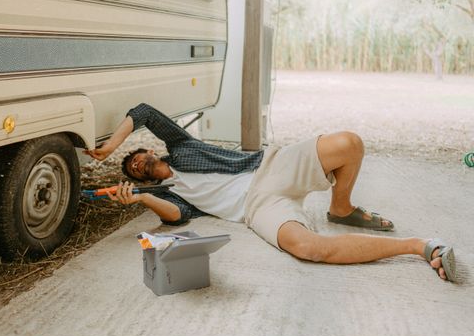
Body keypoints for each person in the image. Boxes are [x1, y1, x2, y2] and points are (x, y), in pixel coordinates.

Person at [84, 103, 457, 282]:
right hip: (258, 207)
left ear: (151, 151)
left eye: (136, 158)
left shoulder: (181, 147)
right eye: (132, 171)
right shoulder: (171, 193)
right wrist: (140, 197)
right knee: (310, 249)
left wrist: (110, 147)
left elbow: (145, 112)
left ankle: (340, 208)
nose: (135, 165)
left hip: (269, 165)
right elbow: (176, 217)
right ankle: (419, 246)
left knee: (349, 143)